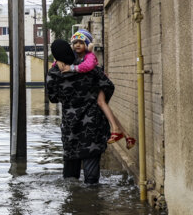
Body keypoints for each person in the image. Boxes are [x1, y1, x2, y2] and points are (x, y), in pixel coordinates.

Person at [46, 38, 114, 183]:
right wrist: (98, 99)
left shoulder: (53, 73)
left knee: (70, 175)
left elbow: (53, 98)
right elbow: (108, 85)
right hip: (92, 125)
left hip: (70, 127)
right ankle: (91, 197)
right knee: (92, 177)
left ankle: (73, 201)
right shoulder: (88, 68)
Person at [57, 29, 136, 150]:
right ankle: (126, 135)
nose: (78, 45)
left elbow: (88, 66)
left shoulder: (90, 56)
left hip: (101, 83)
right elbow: (60, 65)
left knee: (101, 102)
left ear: (88, 45)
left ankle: (116, 129)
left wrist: (72, 68)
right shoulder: (74, 56)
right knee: (105, 109)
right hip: (94, 84)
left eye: (81, 42)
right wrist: (58, 61)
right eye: (75, 42)